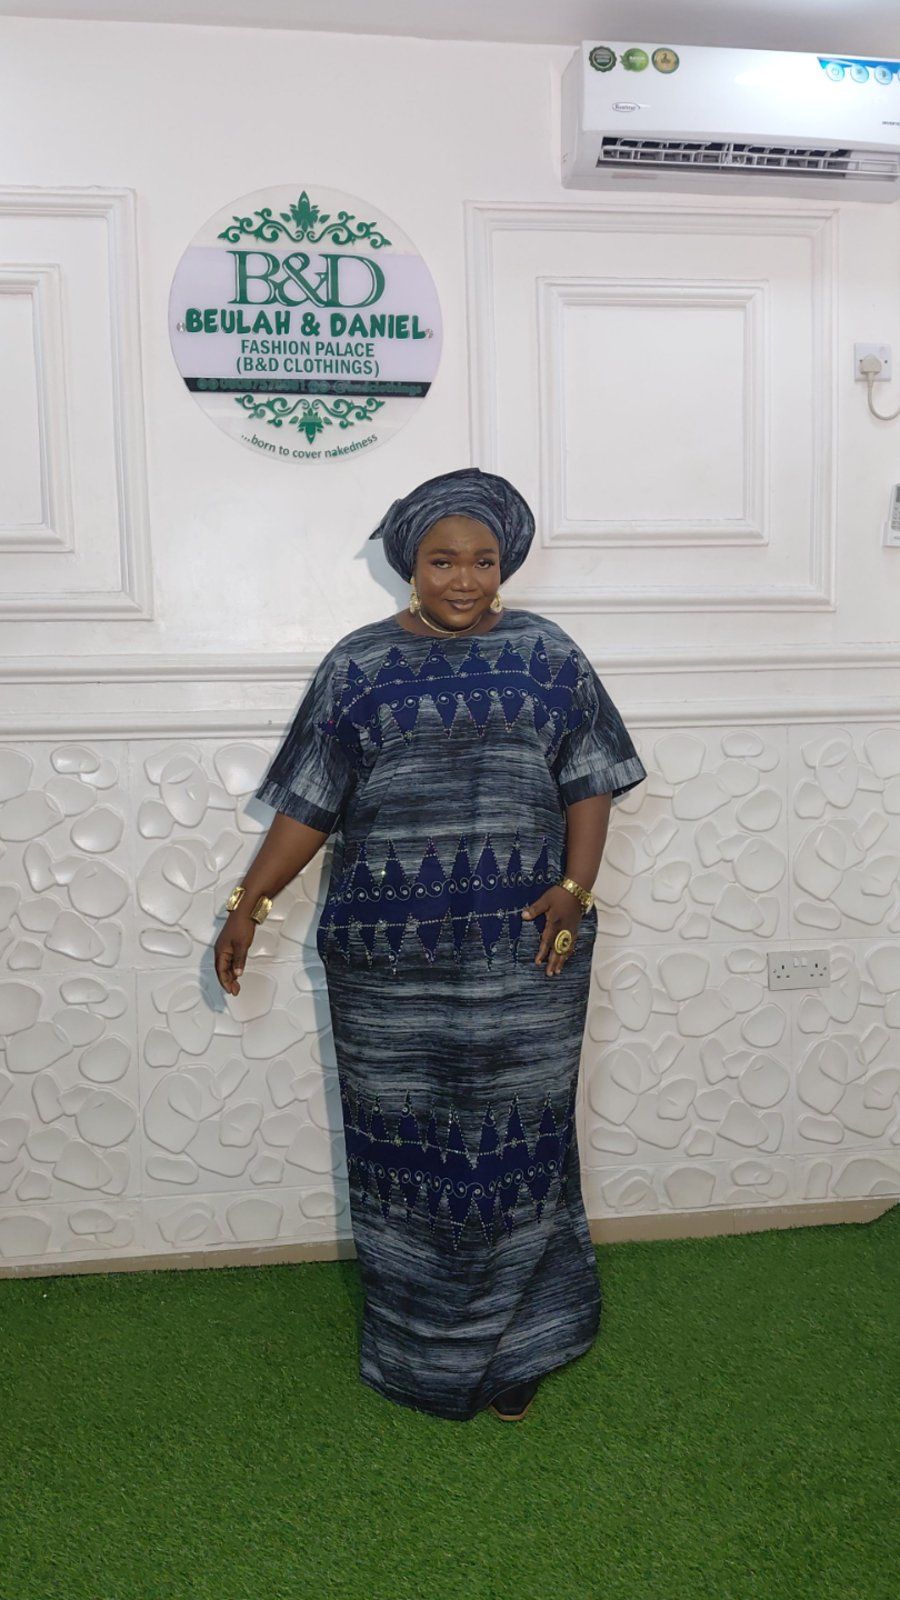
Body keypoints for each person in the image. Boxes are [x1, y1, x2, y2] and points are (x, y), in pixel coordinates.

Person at [214, 466, 647, 1423]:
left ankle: (523, 1343)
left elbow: (590, 778)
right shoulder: (358, 667)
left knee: (520, 1145)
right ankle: (421, 1349)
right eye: (444, 560)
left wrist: (576, 889)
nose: (464, 579)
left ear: (505, 563)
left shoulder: (549, 656)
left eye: (483, 560)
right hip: (387, 959)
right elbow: (310, 803)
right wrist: (249, 902)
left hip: (524, 948)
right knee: (402, 1150)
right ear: (411, 561)